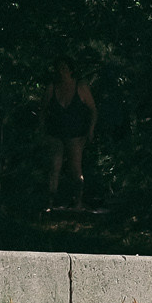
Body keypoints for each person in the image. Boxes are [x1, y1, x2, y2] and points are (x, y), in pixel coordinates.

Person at [39, 58, 98, 209]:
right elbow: (43, 112)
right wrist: (42, 132)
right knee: (54, 166)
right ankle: (50, 203)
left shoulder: (81, 87)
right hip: (55, 134)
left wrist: (90, 130)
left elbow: (93, 110)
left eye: (65, 68)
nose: (61, 71)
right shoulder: (52, 88)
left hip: (76, 134)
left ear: (71, 70)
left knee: (75, 169)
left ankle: (77, 202)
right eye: (59, 68)